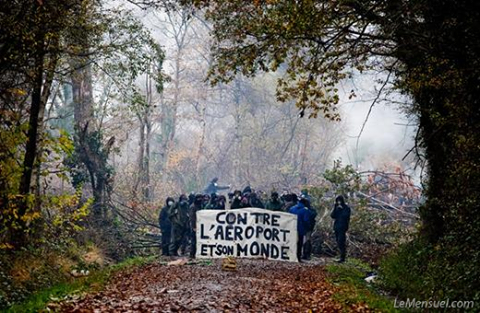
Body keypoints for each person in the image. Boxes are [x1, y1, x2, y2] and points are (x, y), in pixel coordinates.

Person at [289, 197, 311, 262]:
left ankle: (292, 256)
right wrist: (308, 227)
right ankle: (298, 257)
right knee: (300, 243)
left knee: (292, 243)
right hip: (301, 230)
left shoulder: (292, 209)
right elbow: (306, 220)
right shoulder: (305, 210)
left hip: (292, 229)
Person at [330, 195, 351, 263]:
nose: (339, 202)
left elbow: (346, 216)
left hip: (343, 227)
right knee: (338, 241)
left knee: (341, 241)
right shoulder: (337, 207)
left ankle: (343, 257)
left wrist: (341, 209)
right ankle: (341, 256)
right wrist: (335, 208)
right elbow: (332, 216)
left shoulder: (346, 208)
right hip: (337, 227)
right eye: (337, 201)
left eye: (340, 200)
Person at [189, 194, 203, 258]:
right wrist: (194, 226)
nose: (200, 199)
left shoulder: (199, 205)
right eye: (198, 198)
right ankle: (192, 254)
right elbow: (192, 218)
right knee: (193, 240)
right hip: (194, 226)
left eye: (201, 198)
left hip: (199, 225)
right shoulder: (193, 207)